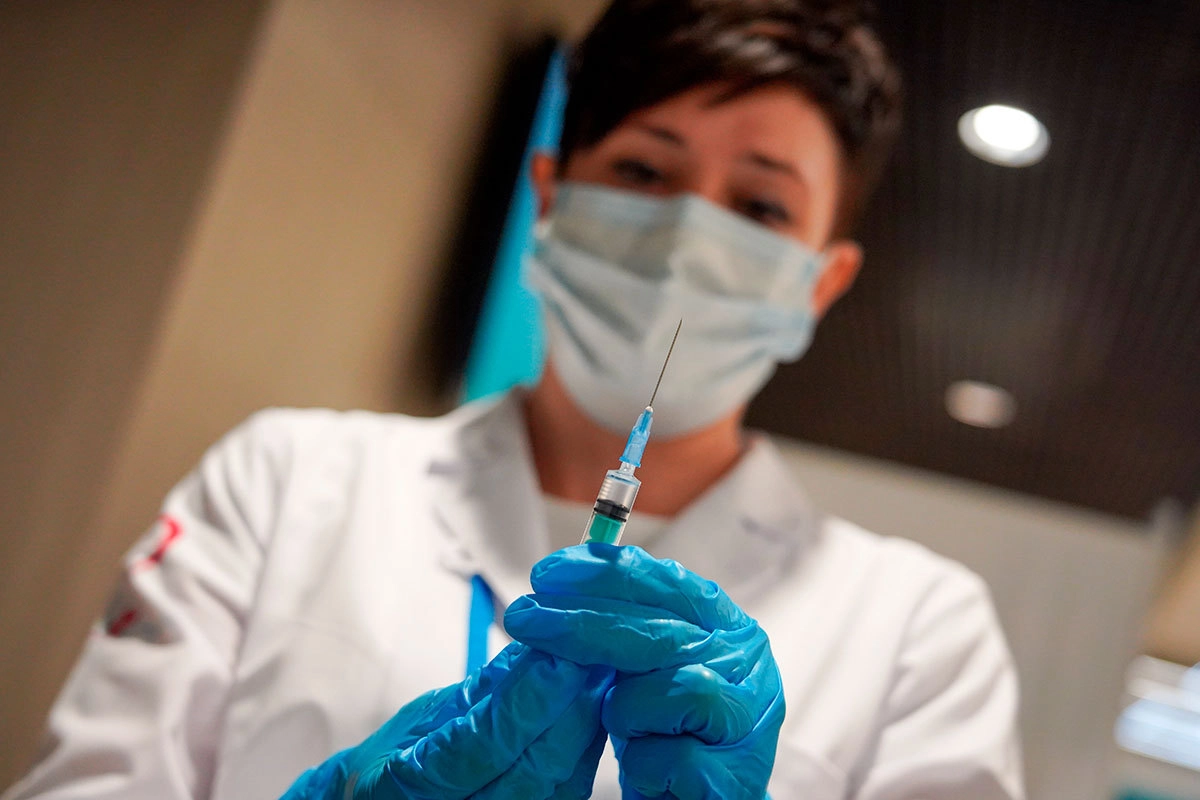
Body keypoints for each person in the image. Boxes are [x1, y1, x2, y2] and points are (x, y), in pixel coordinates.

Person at [3, 1, 1025, 798]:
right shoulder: (289, 481)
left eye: (760, 204)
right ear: (547, 196)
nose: (685, 242)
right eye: (643, 168)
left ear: (823, 281)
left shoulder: (919, 630)